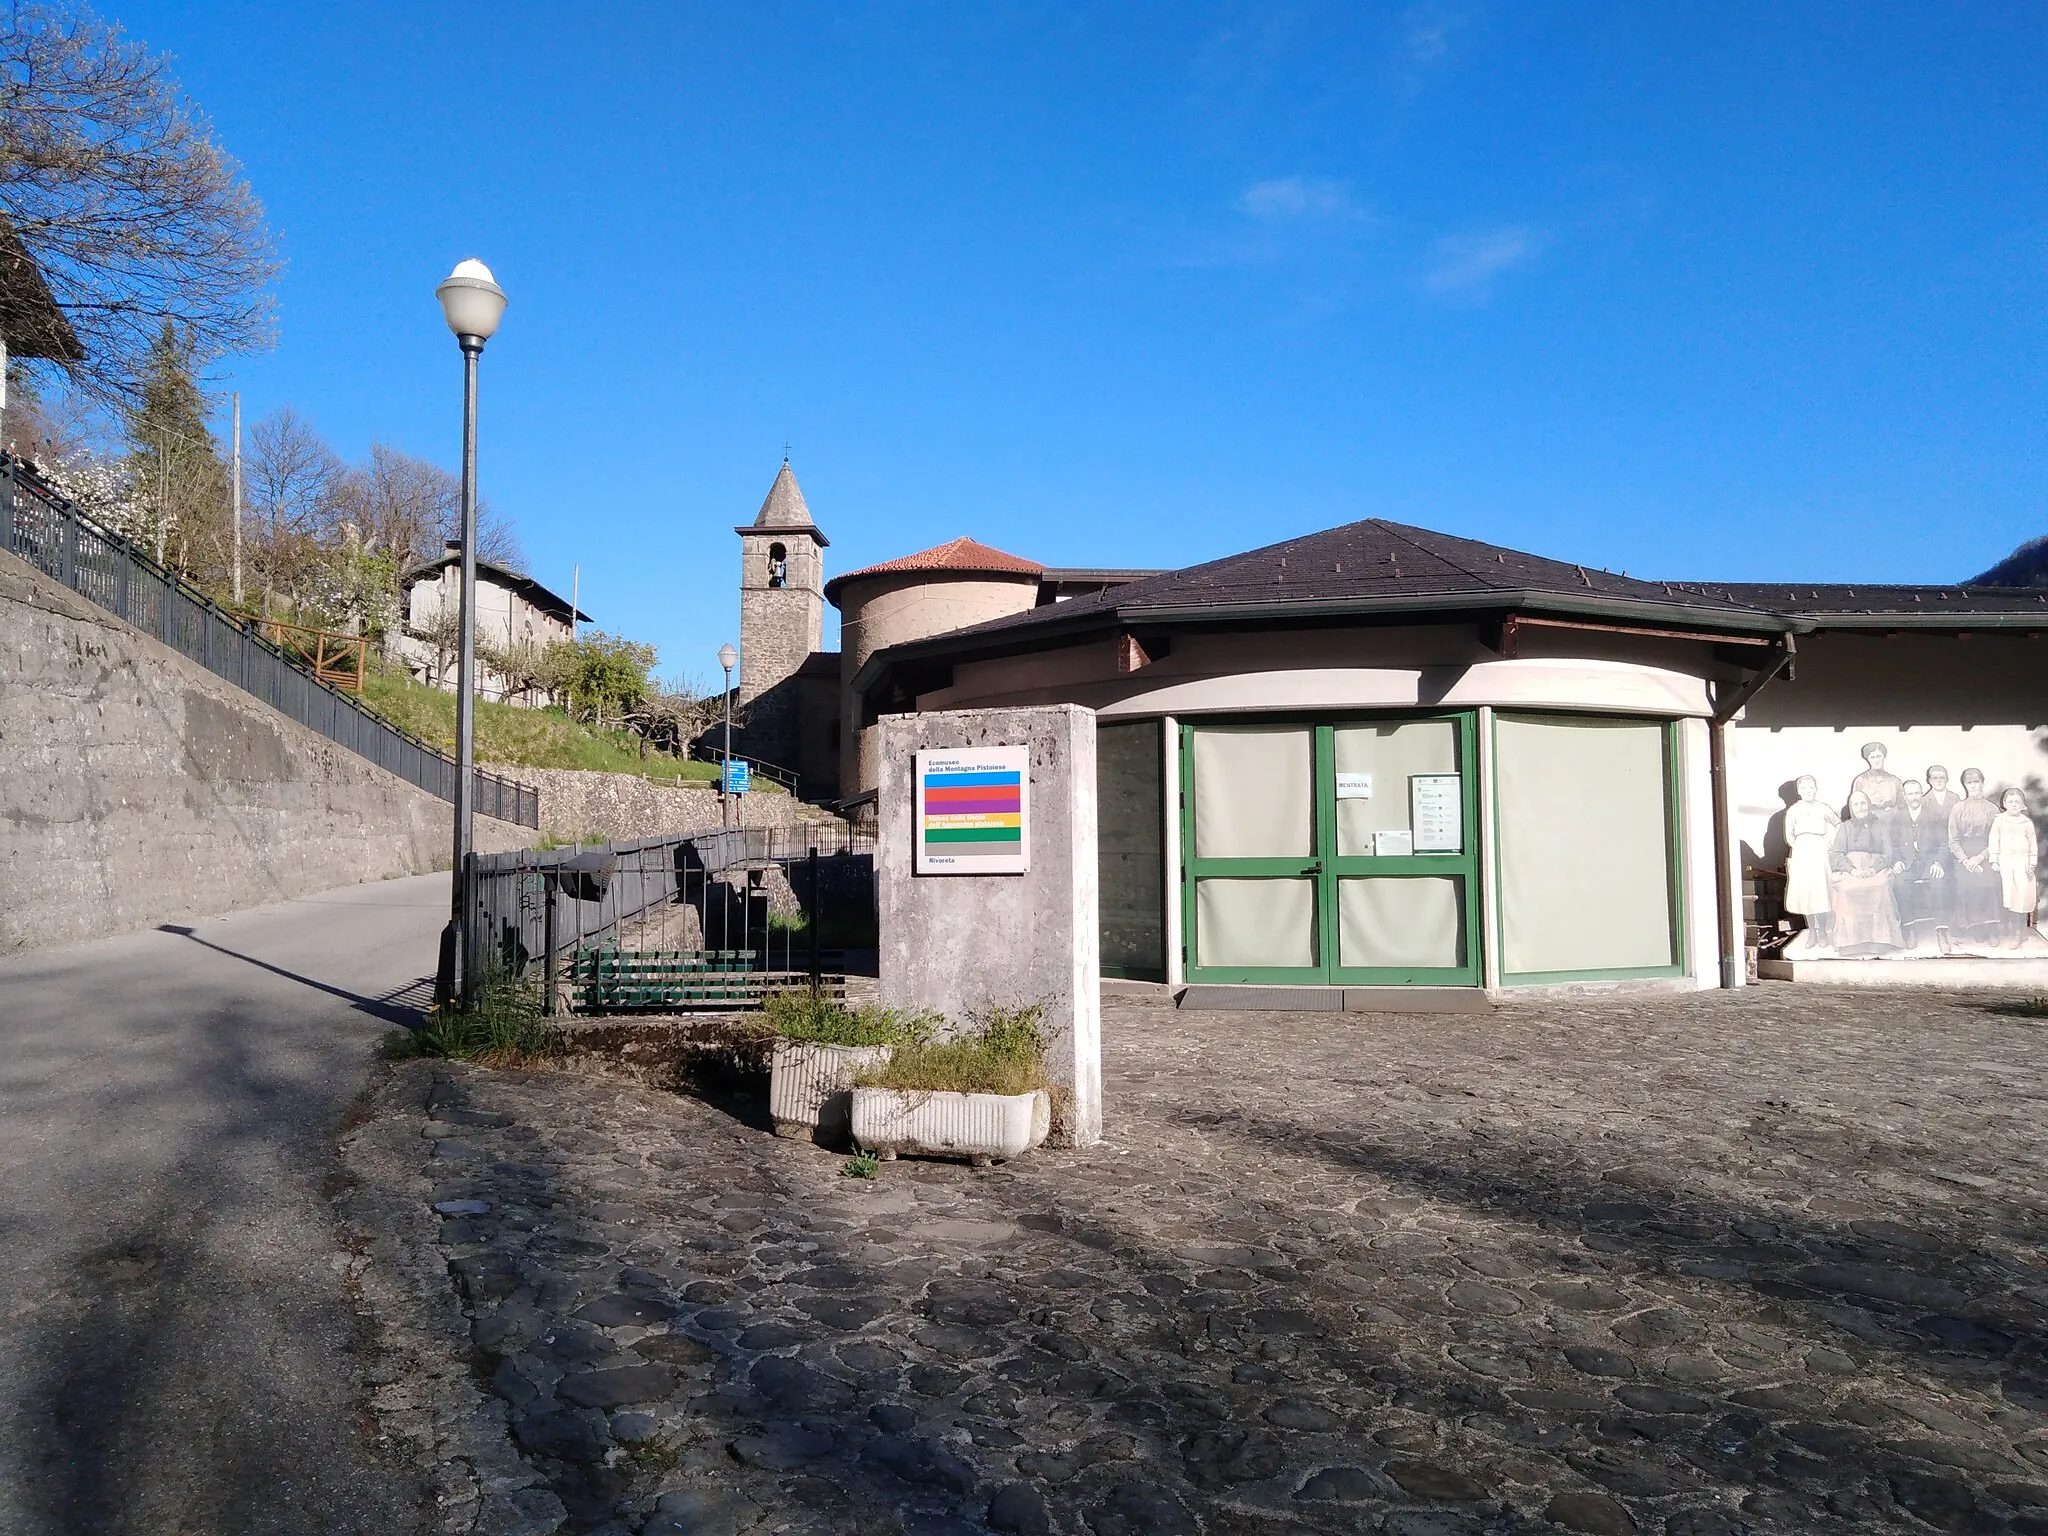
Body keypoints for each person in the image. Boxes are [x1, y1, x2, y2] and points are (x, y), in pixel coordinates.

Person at [1828, 789, 1904, 954]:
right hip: (1852, 868)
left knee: (1881, 886)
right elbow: (1836, 854)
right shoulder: (1845, 827)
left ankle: (1881, 941)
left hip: (1876, 867)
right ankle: (1851, 943)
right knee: (1848, 889)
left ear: (1868, 805)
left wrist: (1873, 868)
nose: (1860, 807)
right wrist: (1852, 870)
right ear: (1851, 807)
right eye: (1856, 804)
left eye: (1863, 803)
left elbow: (1888, 852)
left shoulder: (1880, 825)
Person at [1891, 778, 1952, 946]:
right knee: (1900, 884)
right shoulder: (1898, 817)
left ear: (1921, 794)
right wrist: (1896, 861)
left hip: (1929, 862)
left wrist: (1938, 862)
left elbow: (1944, 843)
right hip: (1907, 864)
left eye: (1917, 793)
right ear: (1904, 796)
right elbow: (1893, 844)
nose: (1914, 797)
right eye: (1910, 794)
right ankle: (1909, 929)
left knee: (1939, 883)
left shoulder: (1934, 816)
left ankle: (1942, 931)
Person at [1947, 769, 2004, 945]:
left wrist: (1980, 858)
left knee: (1988, 880)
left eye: (1976, 782)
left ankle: (1991, 927)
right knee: (1965, 881)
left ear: (1982, 783)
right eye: (1969, 783)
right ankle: (1972, 925)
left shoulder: (1991, 808)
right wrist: (1965, 860)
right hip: (1963, 854)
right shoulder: (1958, 808)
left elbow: (1996, 839)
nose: (1973, 786)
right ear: (1965, 785)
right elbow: (1953, 840)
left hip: (1986, 853)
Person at [1783, 775, 1840, 949]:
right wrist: (1800, 849)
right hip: (1802, 852)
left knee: (1820, 891)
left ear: (1816, 789)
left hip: (1819, 850)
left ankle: (1822, 930)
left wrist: (1830, 842)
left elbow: (1838, 824)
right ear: (1799, 791)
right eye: (1805, 788)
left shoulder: (1823, 808)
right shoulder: (1793, 810)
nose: (1808, 791)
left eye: (1811, 787)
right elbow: (1789, 835)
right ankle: (1812, 932)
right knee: (1806, 893)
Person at [1987, 787, 2040, 950]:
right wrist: (1994, 860)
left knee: (2021, 898)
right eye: (2010, 802)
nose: (2014, 805)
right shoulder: (1999, 820)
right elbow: (1993, 840)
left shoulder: (2026, 823)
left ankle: (2019, 933)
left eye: (2017, 802)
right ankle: (2007, 931)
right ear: (2004, 804)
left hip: (2022, 864)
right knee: (2008, 896)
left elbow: (2033, 845)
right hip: (2005, 863)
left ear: (2023, 805)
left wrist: (2031, 864)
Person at [1849, 742, 1903, 815]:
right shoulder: (1860, 780)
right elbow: (1854, 806)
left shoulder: (1894, 781)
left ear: (1884, 757)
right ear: (1868, 759)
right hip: (1868, 821)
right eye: (1872, 757)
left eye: (1879, 756)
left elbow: (1902, 806)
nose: (1876, 760)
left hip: (1891, 821)